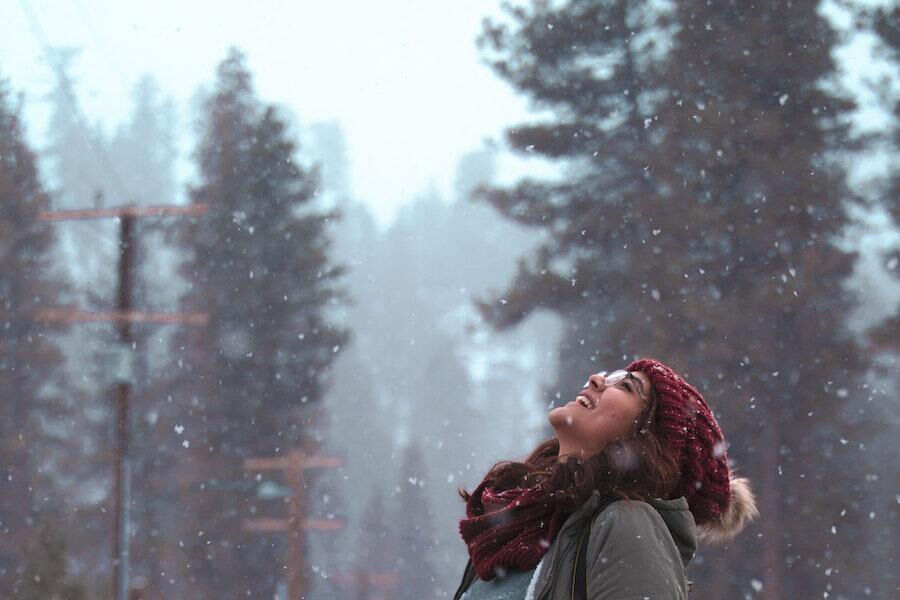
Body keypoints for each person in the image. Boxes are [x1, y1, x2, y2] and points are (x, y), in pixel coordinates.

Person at [454, 357, 759, 600]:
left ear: (645, 441)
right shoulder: (512, 527)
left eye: (626, 387)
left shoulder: (627, 524)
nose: (596, 379)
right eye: (609, 375)